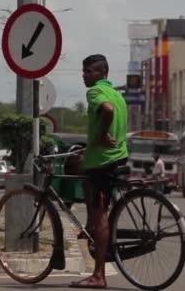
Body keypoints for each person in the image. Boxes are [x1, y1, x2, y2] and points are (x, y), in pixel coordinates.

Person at [71, 54, 128, 289]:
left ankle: (98, 275)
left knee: (102, 215)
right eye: (84, 72)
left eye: (89, 71)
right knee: (82, 175)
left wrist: (102, 136)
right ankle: (90, 224)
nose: (85, 76)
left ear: (102, 73)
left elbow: (106, 111)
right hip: (116, 157)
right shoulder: (118, 95)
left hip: (103, 162)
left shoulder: (95, 92)